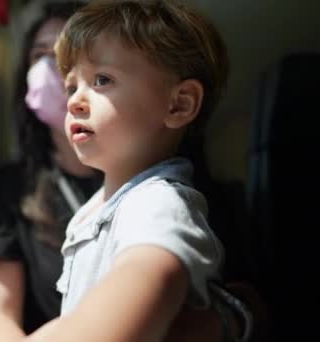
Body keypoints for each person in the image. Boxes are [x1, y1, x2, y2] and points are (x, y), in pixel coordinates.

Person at [25, 0, 240, 341]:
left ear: (179, 104)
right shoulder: (97, 209)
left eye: (102, 80)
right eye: (72, 86)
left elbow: (140, 286)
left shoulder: (157, 201)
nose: (74, 101)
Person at [0, 3, 101, 341]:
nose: (47, 67)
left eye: (63, 53)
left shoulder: (160, 182)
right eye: (38, 55)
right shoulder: (11, 189)